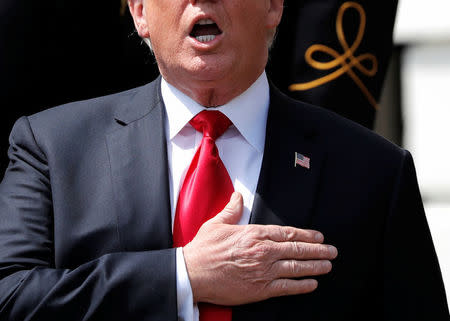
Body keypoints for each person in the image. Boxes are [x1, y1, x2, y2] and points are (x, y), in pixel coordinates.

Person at [0, 0, 448, 321]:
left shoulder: (374, 171)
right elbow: (10, 298)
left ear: (274, 7)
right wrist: (184, 276)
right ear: (139, 12)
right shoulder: (52, 148)